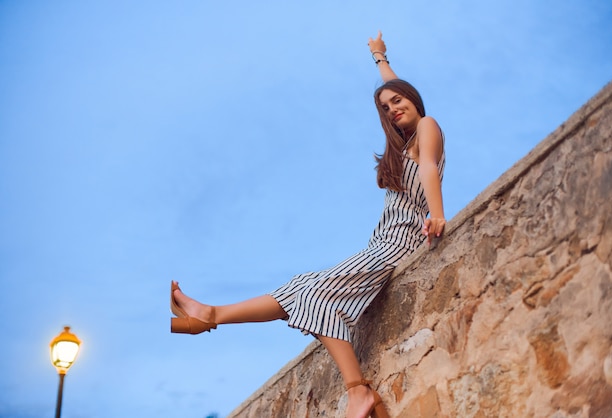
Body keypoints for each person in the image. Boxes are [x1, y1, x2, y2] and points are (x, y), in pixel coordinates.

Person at [170, 31, 446, 418]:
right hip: (380, 242)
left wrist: (436, 214)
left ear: (414, 99)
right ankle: (209, 315)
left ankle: (358, 392)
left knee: (316, 297)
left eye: (398, 101)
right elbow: (391, 88)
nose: (392, 108)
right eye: (385, 108)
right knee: (300, 286)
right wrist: (379, 57)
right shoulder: (401, 142)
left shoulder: (427, 127)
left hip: (399, 244)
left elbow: (430, 167)